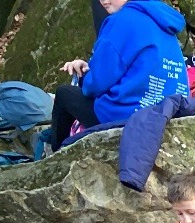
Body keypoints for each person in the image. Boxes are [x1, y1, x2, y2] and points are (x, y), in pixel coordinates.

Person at [53, 0, 188, 148]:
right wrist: (89, 68)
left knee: (64, 94)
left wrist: (84, 77)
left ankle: (55, 156)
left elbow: (96, 84)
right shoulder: (159, 17)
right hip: (172, 110)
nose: (104, 1)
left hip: (129, 115)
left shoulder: (120, 21)